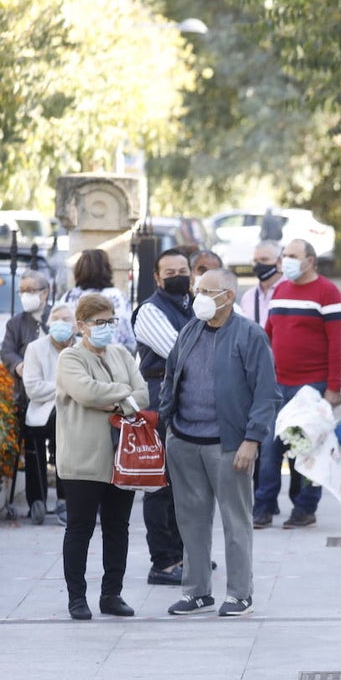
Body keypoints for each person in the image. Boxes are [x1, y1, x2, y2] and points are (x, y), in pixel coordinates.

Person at [161, 269, 280, 617]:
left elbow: (266, 393)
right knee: (191, 520)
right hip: (184, 440)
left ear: (227, 297)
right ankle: (197, 591)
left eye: (206, 291)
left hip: (228, 444)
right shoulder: (190, 330)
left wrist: (252, 440)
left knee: (235, 519)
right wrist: (169, 426)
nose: (197, 296)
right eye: (198, 290)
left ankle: (239, 594)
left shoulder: (249, 335)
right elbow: (171, 376)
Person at [55, 293, 149, 620]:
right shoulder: (70, 358)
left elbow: (143, 394)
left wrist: (112, 400)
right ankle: (76, 598)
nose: (107, 328)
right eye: (100, 322)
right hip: (83, 459)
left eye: (111, 321)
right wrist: (123, 396)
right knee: (80, 529)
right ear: (81, 326)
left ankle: (112, 594)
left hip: (122, 457)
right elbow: (85, 392)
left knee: (117, 527)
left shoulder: (121, 352)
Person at [254, 239, 341, 529]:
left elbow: (336, 343)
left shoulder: (328, 292)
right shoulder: (280, 289)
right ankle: (264, 507)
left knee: (306, 449)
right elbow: (269, 335)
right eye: (285, 256)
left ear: (310, 261)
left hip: (312, 387)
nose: (286, 261)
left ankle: (305, 508)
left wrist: (333, 387)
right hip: (279, 385)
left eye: (293, 256)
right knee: (270, 448)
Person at [133, 248, 193, 586]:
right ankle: (164, 561)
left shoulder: (195, 306)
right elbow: (180, 353)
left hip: (192, 403)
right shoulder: (149, 311)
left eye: (183, 269)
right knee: (160, 485)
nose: (178, 276)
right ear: (157, 278)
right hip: (160, 403)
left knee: (188, 484)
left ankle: (186, 553)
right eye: (170, 272)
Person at [2, 269, 54, 523]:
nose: (25, 295)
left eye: (30, 290)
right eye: (22, 290)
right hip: (30, 397)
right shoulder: (16, 323)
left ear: (44, 293)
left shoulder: (56, 317)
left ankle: (66, 500)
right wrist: (18, 365)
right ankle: (37, 500)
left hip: (59, 398)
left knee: (62, 446)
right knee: (33, 447)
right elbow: (7, 352)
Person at [21, 301, 75, 525]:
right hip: (43, 412)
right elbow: (33, 387)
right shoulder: (36, 348)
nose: (61, 324)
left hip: (76, 412)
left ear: (76, 325)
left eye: (66, 319)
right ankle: (47, 498)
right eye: (57, 319)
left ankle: (72, 497)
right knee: (60, 425)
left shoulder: (81, 347)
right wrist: (65, 387)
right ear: (49, 323)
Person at [60, 249, 137, 352]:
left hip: (75, 354)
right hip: (114, 356)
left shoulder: (68, 296)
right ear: (106, 269)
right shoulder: (117, 296)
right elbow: (129, 336)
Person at [240, 240, 283, 328]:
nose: (259, 265)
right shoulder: (248, 297)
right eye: (255, 261)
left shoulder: (293, 292)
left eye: (264, 260)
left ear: (279, 261)